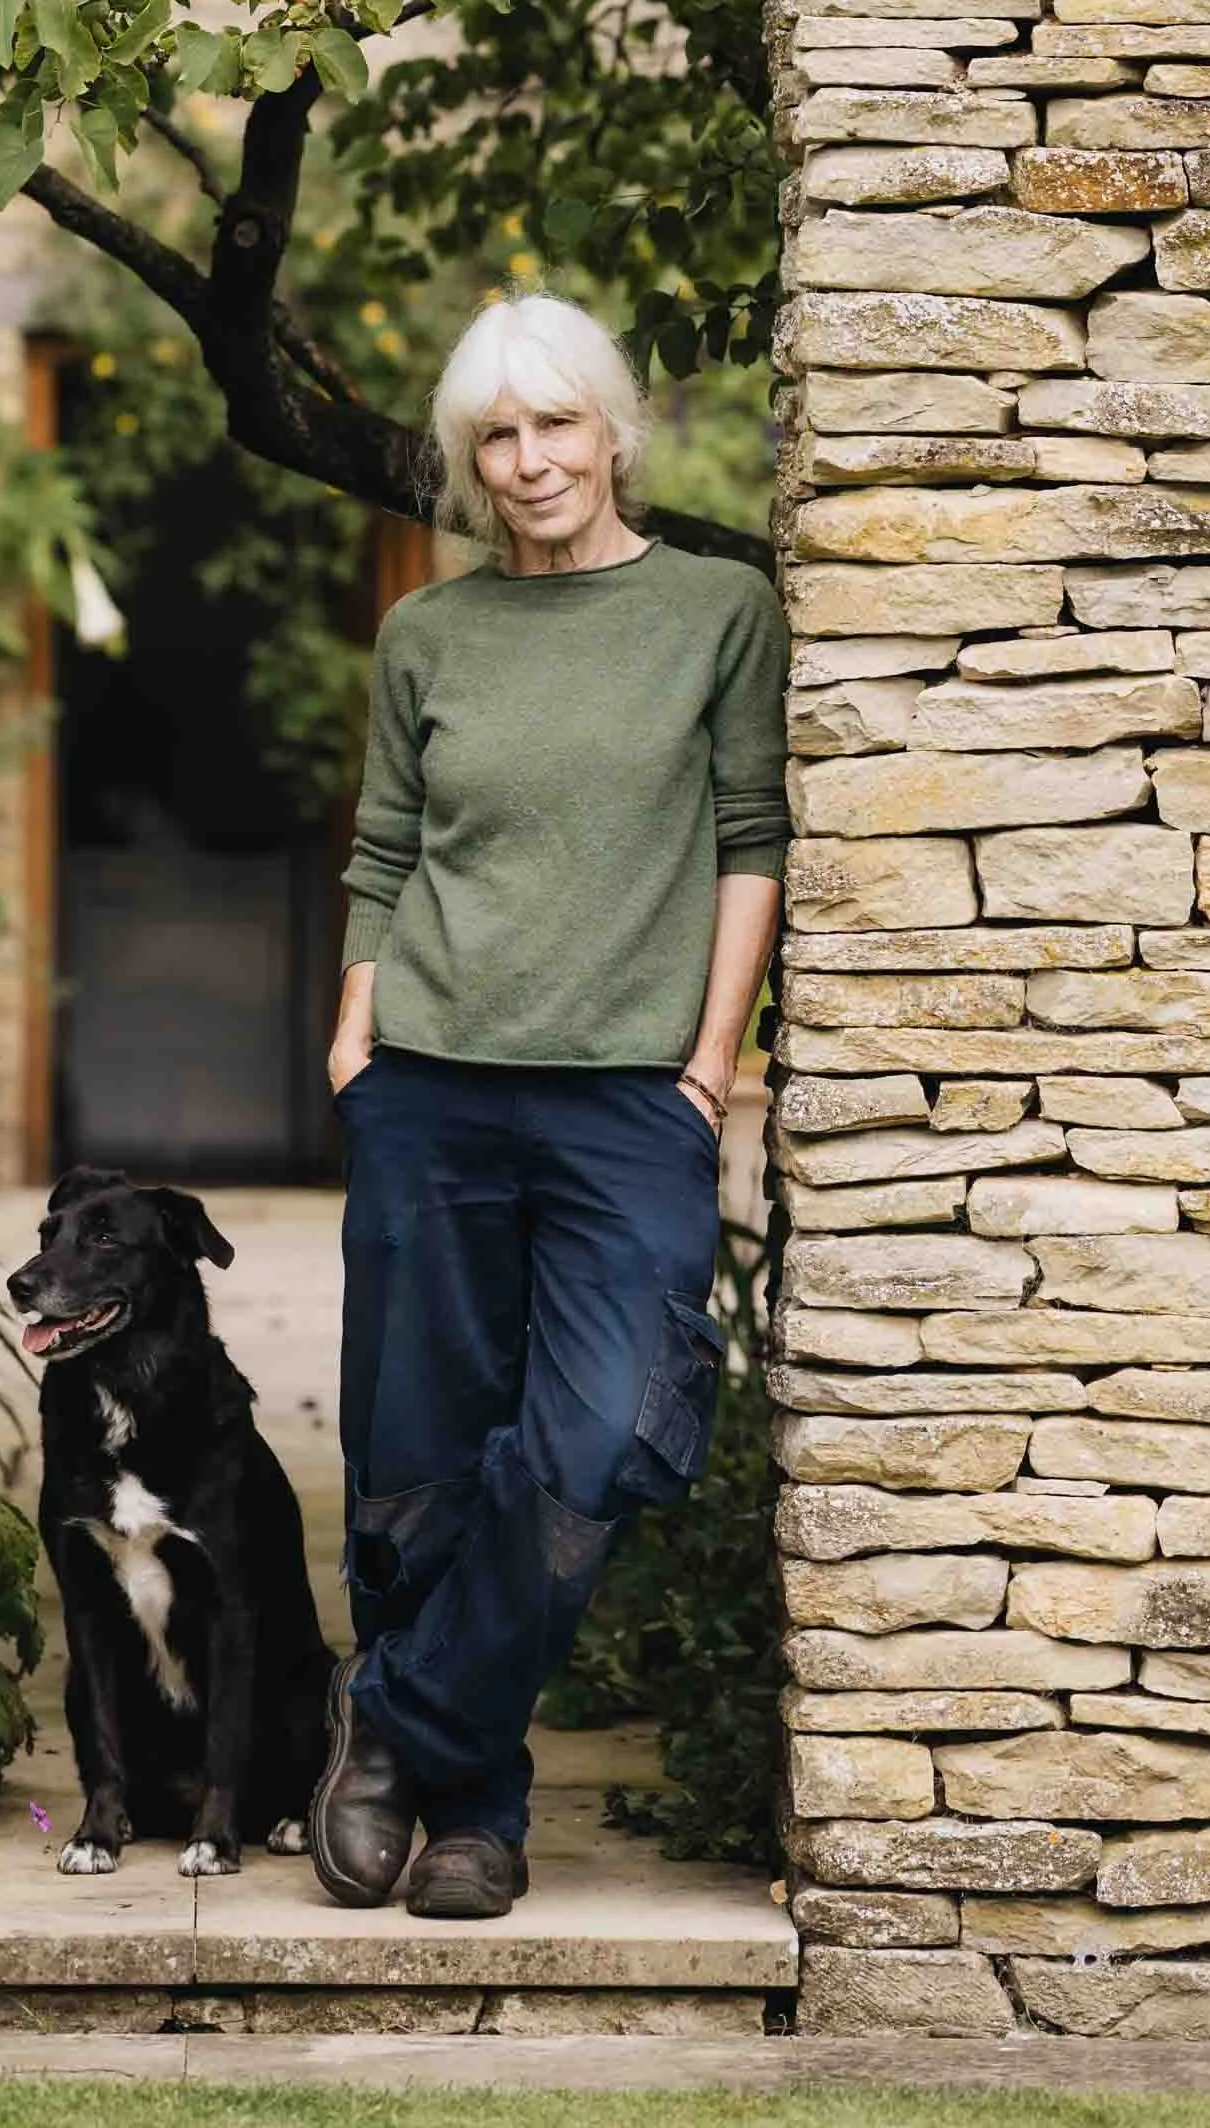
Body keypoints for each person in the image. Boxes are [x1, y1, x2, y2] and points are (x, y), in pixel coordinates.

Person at [306, 290, 789, 1921]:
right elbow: (382, 853)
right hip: (430, 1084)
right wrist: (358, 1037)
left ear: (613, 430)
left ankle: (388, 1720)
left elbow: (751, 839)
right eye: (493, 437)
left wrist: (711, 1065)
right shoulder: (428, 636)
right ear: (467, 460)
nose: (527, 463)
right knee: (421, 1447)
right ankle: (478, 1818)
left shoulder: (718, 611)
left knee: (604, 1431)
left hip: (629, 1098)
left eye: (554, 425)